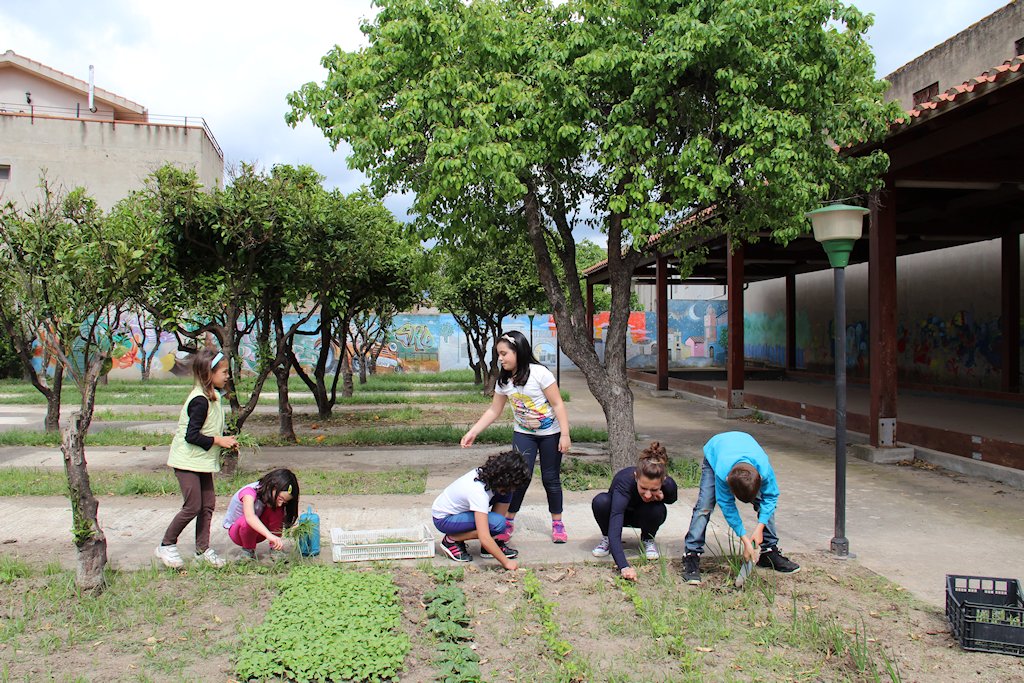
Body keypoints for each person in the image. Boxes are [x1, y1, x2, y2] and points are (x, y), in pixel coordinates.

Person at [460, 330, 571, 543]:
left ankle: (557, 522)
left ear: (518, 351)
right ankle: (508, 520)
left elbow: (557, 404)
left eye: (504, 354)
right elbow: (494, 410)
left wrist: (564, 434)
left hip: (550, 434)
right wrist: (473, 431)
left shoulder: (540, 373)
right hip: (523, 434)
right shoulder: (504, 381)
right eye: (498, 354)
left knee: (551, 478)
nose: (500, 358)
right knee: (519, 477)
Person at [155, 348, 237, 569]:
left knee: (207, 505)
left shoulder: (213, 396)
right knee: (193, 506)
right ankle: (166, 544)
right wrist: (220, 441)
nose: (227, 376)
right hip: (186, 461)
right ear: (208, 374)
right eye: (224, 372)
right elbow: (191, 436)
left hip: (201, 461)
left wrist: (224, 439)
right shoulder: (199, 400)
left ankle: (202, 550)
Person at [682, 431, 800, 585]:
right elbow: (727, 505)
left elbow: (770, 497)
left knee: (764, 503)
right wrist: (745, 539)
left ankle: (769, 552)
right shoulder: (722, 471)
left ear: (760, 479)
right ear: (727, 481)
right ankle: (691, 554)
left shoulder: (763, 469)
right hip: (716, 449)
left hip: (744, 444)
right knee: (704, 506)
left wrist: (759, 528)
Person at [592, 441, 678, 581]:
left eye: (654, 489)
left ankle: (648, 538)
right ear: (636, 476)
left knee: (658, 508)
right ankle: (606, 539)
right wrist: (624, 566)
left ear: (663, 481)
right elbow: (616, 518)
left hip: (644, 516)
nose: (648, 494)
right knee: (601, 501)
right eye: (643, 488)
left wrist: (662, 496)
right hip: (620, 515)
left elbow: (672, 499)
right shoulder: (624, 481)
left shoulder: (668, 484)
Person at [432, 450, 531, 570]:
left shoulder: (489, 477)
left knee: (506, 495)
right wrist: (506, 563)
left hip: (458, 513)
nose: (515, 488)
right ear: (504, 478)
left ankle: (490, 547)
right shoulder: (479, 492)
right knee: (497, 523)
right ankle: (452, 540)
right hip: (444, 519)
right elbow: (484, 537)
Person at [222, 468, 300, 560]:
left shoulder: (273, 500)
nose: (280, 503)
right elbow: (250, 517)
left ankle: (275, 548)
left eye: (284, 502)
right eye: (280, 499)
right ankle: (247, 550)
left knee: (276, 509)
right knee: (248, 520)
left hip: (259, 533)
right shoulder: (249, 493)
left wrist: (273, 537)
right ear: (273, 487)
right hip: (238, 533)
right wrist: (269, 535)